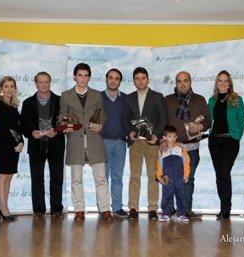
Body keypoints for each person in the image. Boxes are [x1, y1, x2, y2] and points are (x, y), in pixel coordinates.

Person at [60, 63, 112, 221]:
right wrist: (65, 127)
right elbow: (63, 116)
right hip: (75, 141)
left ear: (89, 77)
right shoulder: (65, 95)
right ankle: (79, 210)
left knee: (101, 178)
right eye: (80, 75)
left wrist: (100, 124)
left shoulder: (97, 95)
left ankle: (105, 209)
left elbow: (102, 114)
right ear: (74, 76)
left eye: (86, 75)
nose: (83, 78)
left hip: (94, 140)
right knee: (76, 178)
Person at [122, 67, 168, 220]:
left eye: (143, 78)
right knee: (134, 175)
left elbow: (163, 119)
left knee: (152, 175)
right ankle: (133, 208)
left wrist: (157, 135)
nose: (140, 81)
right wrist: (130, 132)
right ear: (133, 80)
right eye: (137, 78)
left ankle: (153, 209)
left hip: (152, 142)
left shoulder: (157, 96)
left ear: (148, 79)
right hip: (135, 142)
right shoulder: (128, 98)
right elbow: (124, 119)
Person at [165, 71, 210, 219]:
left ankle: (185, 210)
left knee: (188, 179)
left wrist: (200, 127)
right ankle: (169, 209)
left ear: (190, 82)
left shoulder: (199, 100)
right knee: (170, 178)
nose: (182, 84)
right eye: (179, 81)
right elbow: (162, 123)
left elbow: (208, 121)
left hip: (191, 147)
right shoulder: (167, 100)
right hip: (172, 147)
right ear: (176, 83)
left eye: (185, 80)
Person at [21, 72, 65, 218]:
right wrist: (31, 132)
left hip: (56, 144)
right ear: (36, 84)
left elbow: (65, 123)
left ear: (50, 83)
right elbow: (24, 125)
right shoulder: (28, 102)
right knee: (37, 178)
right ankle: (39, 210)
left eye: (46, 82)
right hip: (36, 145)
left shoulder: (60, 101)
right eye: (41, 82)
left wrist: (57, 131)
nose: (44, 85)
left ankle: (56, 209)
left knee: (57, 177)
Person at [208, 70, 244, 220]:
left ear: (230, 83)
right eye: (220, 81)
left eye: (226, 81)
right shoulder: (212, 100)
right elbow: (210, 120)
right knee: (219, 175)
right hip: (214, 141)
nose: (223, 83)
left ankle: (226, 209)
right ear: (216, 83)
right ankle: (223, 208)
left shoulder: (237, 99)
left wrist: (236, 137)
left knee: (224, 172)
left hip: (230, 141)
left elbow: (242, 121)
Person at [0, 76, 24, 221]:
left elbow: (18, 127)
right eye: (6, 86)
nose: (9, 89)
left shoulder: (14, 106)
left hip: (15, 145)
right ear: (1, 89)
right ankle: (3, 209)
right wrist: (15, 144)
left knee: (9, 176)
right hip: (4, 144)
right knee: (3, 176)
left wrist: (22, 142)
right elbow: (4, 128)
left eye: (12, 86)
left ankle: (4, 207)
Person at [101, 68, 128, 218]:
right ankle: (103, 208)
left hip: (120, 143)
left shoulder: (125, 98)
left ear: (120, 81)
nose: (113, 80)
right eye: (110, 77)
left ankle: (117, 207)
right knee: (102, 178)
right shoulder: (97, 97)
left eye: (116, 78)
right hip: (102, 142)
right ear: (106, 79)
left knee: (117, 177)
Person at [156, 125, 190, 223]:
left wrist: (186, 174)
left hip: (179, 178)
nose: (172, 139)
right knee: (166, 196)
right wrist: (160, 176)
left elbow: (186, 162)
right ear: (164, 137)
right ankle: (166, 213)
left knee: (181, 196)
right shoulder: (162, 150)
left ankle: (181, 214)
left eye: (174, 136)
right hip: (167, 178)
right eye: (170, 136)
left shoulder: (180, 148)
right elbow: (159, 164)